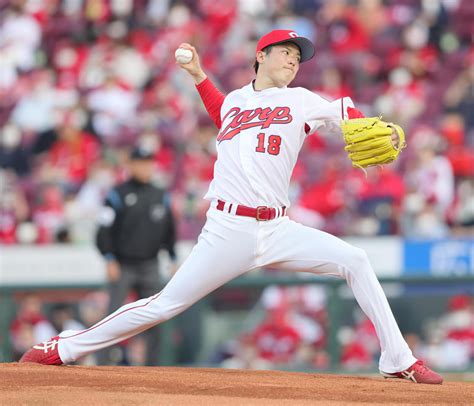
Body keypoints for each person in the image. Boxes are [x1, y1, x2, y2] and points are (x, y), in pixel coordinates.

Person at [20, 29, 442, 384]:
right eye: (286, 53)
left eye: (298, 58)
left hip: (279, 229)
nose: (294, 62)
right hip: (227, 229)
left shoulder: (301, 100)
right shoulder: (237, 101)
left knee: (356, 259)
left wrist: (363, 122)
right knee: (164, 304)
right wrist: (199, 74)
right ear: (261, 56)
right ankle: (64, 346)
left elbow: (344, 113)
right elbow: (221, 109)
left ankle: (397, 359)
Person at [96, 146, 177, 365]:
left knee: (155, 317)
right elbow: (103, 230)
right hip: (123, 265)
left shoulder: (161, 195)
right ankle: (102, 365)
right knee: (112, 317)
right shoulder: (117, 193)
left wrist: (172, 257)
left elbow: (169, 231)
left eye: (149, 163)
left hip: (150, 264)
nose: (146, 168)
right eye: (141, 163)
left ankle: (153, 368)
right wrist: (109, 259)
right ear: (130, 165)